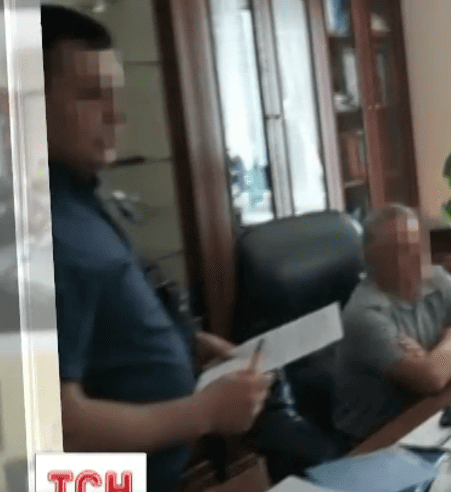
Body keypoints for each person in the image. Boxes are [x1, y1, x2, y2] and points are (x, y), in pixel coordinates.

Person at [41, 6, 271, 491]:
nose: (116, 114)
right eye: (90, 95)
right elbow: (60, 422)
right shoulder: (43, 232)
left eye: (115, 93)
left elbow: (107, 326)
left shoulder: (84, 199)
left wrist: (191, 343)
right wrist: (204, 412)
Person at [333, 204, 451, 440]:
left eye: (417, 246)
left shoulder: (435, 278)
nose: (416, 258)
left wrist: (440, 360)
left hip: (426, 412)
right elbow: (431, 379)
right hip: (375, 437)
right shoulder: (364, 314)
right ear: (373, 259)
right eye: (401, 250)